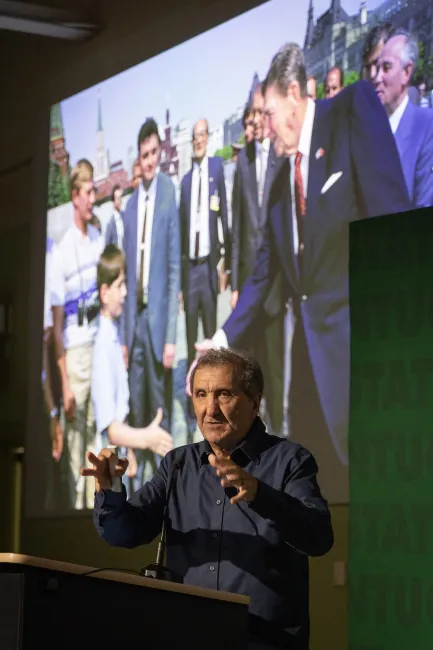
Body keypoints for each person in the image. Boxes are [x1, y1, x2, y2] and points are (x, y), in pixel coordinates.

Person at [187, 42, 411, 499]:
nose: (265, 128)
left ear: (294, 94)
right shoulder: (279, 184)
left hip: (363, 359)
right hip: (309, 374)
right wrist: (220, 343)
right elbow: (263, 275)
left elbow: (393, 226)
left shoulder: (350, 112)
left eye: (269, 114)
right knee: (325, 500)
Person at [84, 348, 333, 650]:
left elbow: (318, 538)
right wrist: (109, 489)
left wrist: (260, 494)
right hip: (187, 636)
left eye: (224, 394)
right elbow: (124, 532)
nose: (210, 409)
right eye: (201, 394)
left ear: (255, 402)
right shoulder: (178, 464)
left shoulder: (290, 461)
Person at [121, 118, 180, 487]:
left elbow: (173, 269)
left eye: (154, 152)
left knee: (160, 394)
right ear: (138, 156)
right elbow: (126, 276)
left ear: (159, 152)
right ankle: (142, 465)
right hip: (135, 319)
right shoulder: (128, 207)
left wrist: (172, 335)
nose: (149, 160)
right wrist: (126, 337)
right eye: (144, 154)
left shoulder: (168, 193)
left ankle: (166, 471)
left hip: (159, 320)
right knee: (137, 393)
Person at [91, 244, 173, 491]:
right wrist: (146, 438)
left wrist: (130, 452)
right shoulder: (102, 345)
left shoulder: (113, 332)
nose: (126, 293)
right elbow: (112, 430)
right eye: (120, 285)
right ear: (104, 293)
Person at [51, 158, 103, 509]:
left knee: (95, 439)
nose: (93, 198)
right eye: (88, 192)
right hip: (76, 356)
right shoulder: (60, 252)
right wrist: (65, 383)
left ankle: (93, 512)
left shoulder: (97, 238)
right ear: (74, 196)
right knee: (75, 445)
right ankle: (73, 509)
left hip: (98, 348)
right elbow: (55, 328)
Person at [179, 118, 230, 368]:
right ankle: (192, 401)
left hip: (209, 268)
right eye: (194, 136)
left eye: (202, 135)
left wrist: (226, 265)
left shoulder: (217, 169)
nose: (198, 140)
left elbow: (225, 217)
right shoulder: (185, 182)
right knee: (190, 338)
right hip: (190, 271)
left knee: (211, 338)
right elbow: (180, 233)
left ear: (208, 138)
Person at [373, 29, 433, 207]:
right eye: (377, 68)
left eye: (387, 68)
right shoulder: (368, 129)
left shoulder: (426, 127)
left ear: (407, 72)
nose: (377, 77)